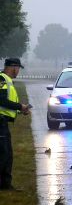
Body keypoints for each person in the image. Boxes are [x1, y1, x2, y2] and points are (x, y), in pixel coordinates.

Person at [0, 58, 30, 190]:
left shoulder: (6, 80)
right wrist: (20, 106)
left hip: (3, 122)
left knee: (7, 153)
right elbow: (1, 101)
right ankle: (3, 185)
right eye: (18, 68)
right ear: (13, 67)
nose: (18, 71)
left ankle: (6, 185)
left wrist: (20, 109)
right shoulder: (2, 79)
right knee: (4, 153)